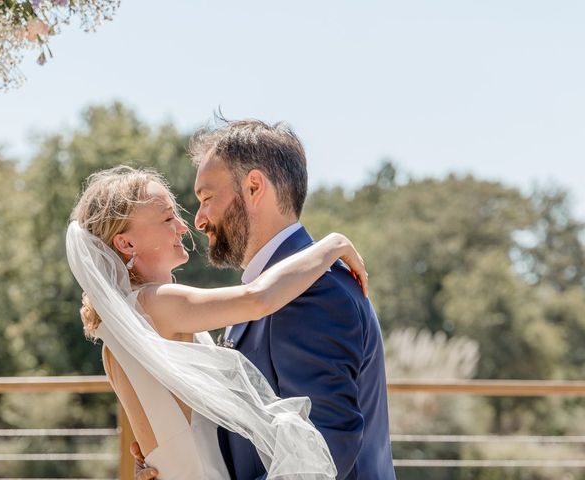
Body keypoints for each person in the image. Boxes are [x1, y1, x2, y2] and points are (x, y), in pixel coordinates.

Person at [67, 165, 369, 480]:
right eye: (168, 218)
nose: (183, 227)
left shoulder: (116, 336)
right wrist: (333, 244)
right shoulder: (159, 304)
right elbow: (257, 298)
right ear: (126, 244)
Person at [134, 119, 396, 480]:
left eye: (207, 198)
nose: (199, 219)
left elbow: (324, 452)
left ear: (254, 187)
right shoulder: (267, 293)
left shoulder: (314, 292)